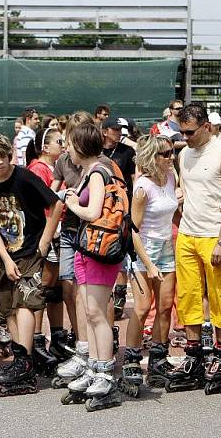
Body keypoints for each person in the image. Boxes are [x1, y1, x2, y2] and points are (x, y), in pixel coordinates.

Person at [0, 133, 60, 397]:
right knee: (8, 306)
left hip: (31, 248)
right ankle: (21, 357)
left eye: (3, 156)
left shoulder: (23, 177)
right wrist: (5, 257)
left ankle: (24, 361)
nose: (0, 162)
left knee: (25, 301)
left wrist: (45, 241)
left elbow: (56, 204)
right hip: (6, 253)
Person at [172, 103, 221, 391]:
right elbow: (188, 189)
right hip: (187, 232)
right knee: (187, 294)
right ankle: (194, 352)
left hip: (214, 234)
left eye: (189, 132)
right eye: (181, 132)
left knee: (220, 294)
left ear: (206, 127)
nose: (185, 138)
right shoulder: (183, 154)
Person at [61, 121, 127, 410]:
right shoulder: (95, 169)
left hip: (100, 249)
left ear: (80, 147)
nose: (66, 150)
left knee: (97, 314)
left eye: (69, 145)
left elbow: (93, 211)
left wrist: (72, 203)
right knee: (90, 312)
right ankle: (94, 368)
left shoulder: (98, 172)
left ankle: (104, 373)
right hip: (89, 248)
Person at [122, 135, 178, 389]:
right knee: (143, 307)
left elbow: (173, 211)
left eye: (171, 152)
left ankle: (158, 358)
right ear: (152, 158)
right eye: (165, 154)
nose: (171, 157)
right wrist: (149, 263)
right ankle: (132, 359)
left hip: (166, 246)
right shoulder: (142, 187)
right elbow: (133, 229)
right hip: (144, 249)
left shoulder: (171, 178)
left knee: (165, 305)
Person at [25, 126, 69, 369]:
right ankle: (37, 340)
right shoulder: (38, 168)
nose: (63, 145)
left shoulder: (53, 167)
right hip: (46, 233)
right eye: (58, 141)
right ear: (45, 147)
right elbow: (43, 203)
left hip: (57, 232)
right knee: (43, 286)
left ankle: (58, 335)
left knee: (56, 289)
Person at [100, 115, 137, 318]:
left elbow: (134, 178)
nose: (119, 133)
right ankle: (105, 295)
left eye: (121, 129)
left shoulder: (127, 152)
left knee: (121, 251)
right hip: (102, 207)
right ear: (105, 131)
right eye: (115, 129)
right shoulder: (97, 151)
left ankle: (119, 299)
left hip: (122, 207)